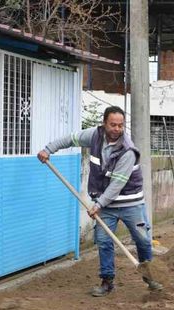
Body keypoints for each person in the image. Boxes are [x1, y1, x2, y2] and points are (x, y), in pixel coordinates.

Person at [37, 106, 163, 297]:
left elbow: (116, 185)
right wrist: (48, 149)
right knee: (103, 241)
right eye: (113, 125)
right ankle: (107, 281)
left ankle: (151, 277)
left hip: (130, 203)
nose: (117, 129)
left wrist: (98, 205)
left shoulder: (128, 150)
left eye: (120, 125)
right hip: (106, 205)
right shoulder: (94, 136)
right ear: (104, 124)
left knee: (143, 239)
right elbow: (70, 139)